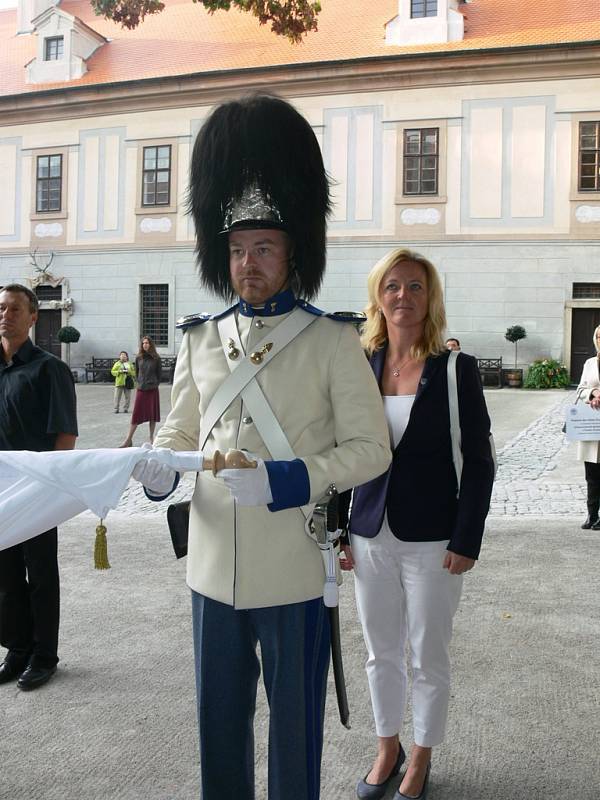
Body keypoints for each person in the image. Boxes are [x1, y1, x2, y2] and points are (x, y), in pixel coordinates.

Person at [132, 94, 391, 800]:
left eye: (265, 248)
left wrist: (287, 478)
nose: (249, 264)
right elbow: (182, 426)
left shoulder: (334, 340)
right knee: (219, 725)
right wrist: (161, 468)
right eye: (238, 251)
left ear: (292, 252)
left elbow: (372, 451)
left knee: (294, 732)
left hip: (293, 570)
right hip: (212, 568)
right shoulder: (198, 337)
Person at [338, 249, 494, 800]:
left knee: (429, 653)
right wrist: (340, 531)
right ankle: (388, 746)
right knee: (380, 650)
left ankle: (421, 756)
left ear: (432, 298)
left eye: (416, 287)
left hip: (434, 537)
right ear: (378, 296)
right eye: (394, 286)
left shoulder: (455, 369)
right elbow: (341, 453)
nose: (404, 297)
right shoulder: (360, 363)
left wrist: (467, 537)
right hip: (369, 530)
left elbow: (478, 460)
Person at [0, 283, 77, 690]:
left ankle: (44, 655)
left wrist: (53, 492)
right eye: (1, 307)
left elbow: (65, 436)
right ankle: (17, 649)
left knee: (41, 574)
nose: (6, 314)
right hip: (0, 490)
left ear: (32, 317)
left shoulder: (50, 369)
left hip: (38, 489)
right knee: (6, 573)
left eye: (15, 309)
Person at [575, 324, 600, 530]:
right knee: (591, 475)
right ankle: (592, 515)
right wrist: (592, 393)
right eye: (599, 336)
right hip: (592, 426)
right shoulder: (590, 363)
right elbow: (580, 389)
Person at [119, 336, 161, 446]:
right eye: (143, 343)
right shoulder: (139, 358)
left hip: (152, 390)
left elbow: (159, 374)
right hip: (141, 389)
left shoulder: (156, 358)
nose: (145, 345)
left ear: (151, 344)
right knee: (136, 414)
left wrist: (154, 383)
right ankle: (128, 439)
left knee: (152, 415)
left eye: (147, 343)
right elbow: (137, 373)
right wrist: (139, 383)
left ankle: (152, 437)